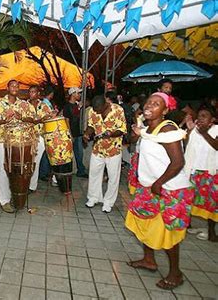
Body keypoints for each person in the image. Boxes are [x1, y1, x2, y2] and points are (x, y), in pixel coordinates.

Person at [125, 92, 193, 290]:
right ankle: (149, 260)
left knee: (168, 231)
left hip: (169, 188)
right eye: (148, 102)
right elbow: (132, 140)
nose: (149, 106)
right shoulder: (148, 129)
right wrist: (137, 129)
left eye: (156, 104)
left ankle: (176, 273)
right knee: (144, 220)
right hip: (150, 186)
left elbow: (178, 162)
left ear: (165, 111)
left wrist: (159, 183)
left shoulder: (168, 129)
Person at [0, 79, 36, 213]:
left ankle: (17, 196)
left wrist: (22, 117)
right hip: (4, 140)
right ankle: (4, 200)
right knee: (5, 169)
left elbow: (33, 119)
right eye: (12, 85)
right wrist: (4, 118)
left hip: (22, 142)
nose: (15, 87)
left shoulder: (24, 104)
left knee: (19, 170)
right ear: (7, 88)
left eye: (17, 86)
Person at [83, 95, 126, 213]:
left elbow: (122, 129)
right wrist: (87, 133)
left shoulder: (118, 110)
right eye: (95, 110)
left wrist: (110, 134)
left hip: (113, 150)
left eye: (98, 110)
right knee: (94, 174)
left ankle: (108, 202)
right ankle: (93, 198)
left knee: (113, 177)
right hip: (98, 149)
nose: (96, 112)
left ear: (105, 105)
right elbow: (91, 125)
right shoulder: (93, 110)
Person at [184, 105, 217, 241]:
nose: (200, 119)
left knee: (211, 202)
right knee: (189, 199)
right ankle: (187, 225)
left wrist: (204, 133)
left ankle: (212, 232)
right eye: (199, 116)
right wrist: (189, 130)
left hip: (210, 172)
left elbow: (216, 146)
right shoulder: (194, 130)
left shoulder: (216, 130)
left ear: (212, 119)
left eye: (204, 116)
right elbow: (186, 145)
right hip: (192, 170)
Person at [27, 85, 54, 192]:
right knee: (28, 162)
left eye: (34, 92)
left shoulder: (44, 106)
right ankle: (25, 183)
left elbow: (49, 118)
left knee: (36, 162)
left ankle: (31, 186)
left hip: (41, 137)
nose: (31, 94)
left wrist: (51, 116)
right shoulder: (24, 105)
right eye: (30, 92)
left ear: (38, 93)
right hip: (27, 137)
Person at [63, 87, 88, 178]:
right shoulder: (67, 106)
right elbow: (67, 121)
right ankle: (66, 171)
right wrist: (70, 134)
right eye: (78, 93)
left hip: (78, 133)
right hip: (72, 133)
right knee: (68, 154)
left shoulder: (77, 105)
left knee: (79, 154)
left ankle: (80, 171)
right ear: (73, 94)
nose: (80, 95)